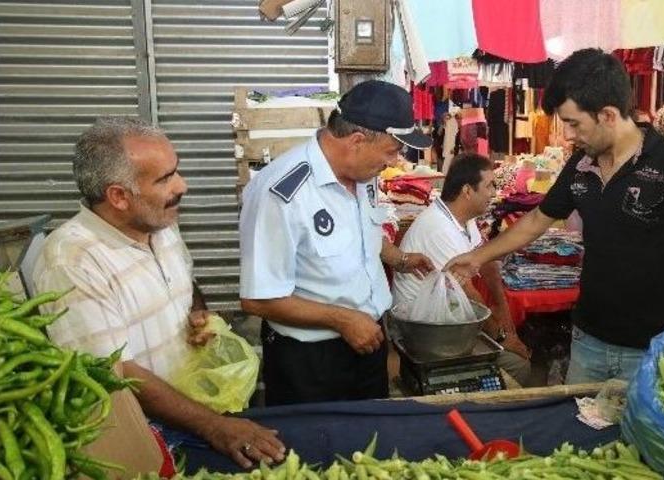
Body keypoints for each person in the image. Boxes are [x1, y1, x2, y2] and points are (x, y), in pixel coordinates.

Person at [446, 49, 664, 384]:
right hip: (588, 341)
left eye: (573, 123)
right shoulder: (580, 165)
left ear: (608, 115)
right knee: (578, 416)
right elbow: (537, 220)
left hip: (652, 348)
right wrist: (478, 257)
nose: (568, 135)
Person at [32, 117, 285, 469]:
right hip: (144, 438)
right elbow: (114, 373)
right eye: (165, 179)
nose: (182, 185)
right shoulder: (72, 263)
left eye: (175, 171)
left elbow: (185, 280)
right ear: (119, 196)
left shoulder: (158, 222)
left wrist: (196, 311)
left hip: (194, 411)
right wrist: (215, 427)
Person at [239, 80, 435, 406]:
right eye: (391, 151)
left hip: (368, 341)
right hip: (311, 360)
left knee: (370, 434)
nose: (394, 162)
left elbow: (361, 234)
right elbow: (257, 299)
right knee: (315, 438)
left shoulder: (363, 175)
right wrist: (343, 320)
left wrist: (399, 259)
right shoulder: (281, 194)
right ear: (357, 141)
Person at [391, 153, 534, 386]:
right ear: (467, 191)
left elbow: (487, 263)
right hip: (425, 330)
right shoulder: (439, 228)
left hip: (447, 317)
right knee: (518, 365)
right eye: (489, 186)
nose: (494, 193)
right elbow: (468, 294)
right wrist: (501, 337)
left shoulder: (463, 219)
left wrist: (506, 319)